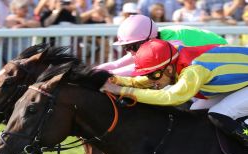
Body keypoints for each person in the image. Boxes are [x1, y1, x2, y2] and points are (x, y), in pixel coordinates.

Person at [101, 38, 248, 146]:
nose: (151, 80)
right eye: (148, 75)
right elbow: (143, 81)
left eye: (153, 75)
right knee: (196, 113)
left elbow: (171, 97)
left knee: (219, 114)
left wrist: (121, 90)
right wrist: (114, 80)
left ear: (169, 69)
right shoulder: (172, 63)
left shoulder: (193, 70)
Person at [95, 14, 227, 76]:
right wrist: (88, 72)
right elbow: (117, 64)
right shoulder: (151, 37)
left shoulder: (170, 43)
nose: (130, 51)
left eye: (133, 47)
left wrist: (108, 74)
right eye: (126, 47)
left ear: (147, 40)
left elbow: (138, 69)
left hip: (221, 61)